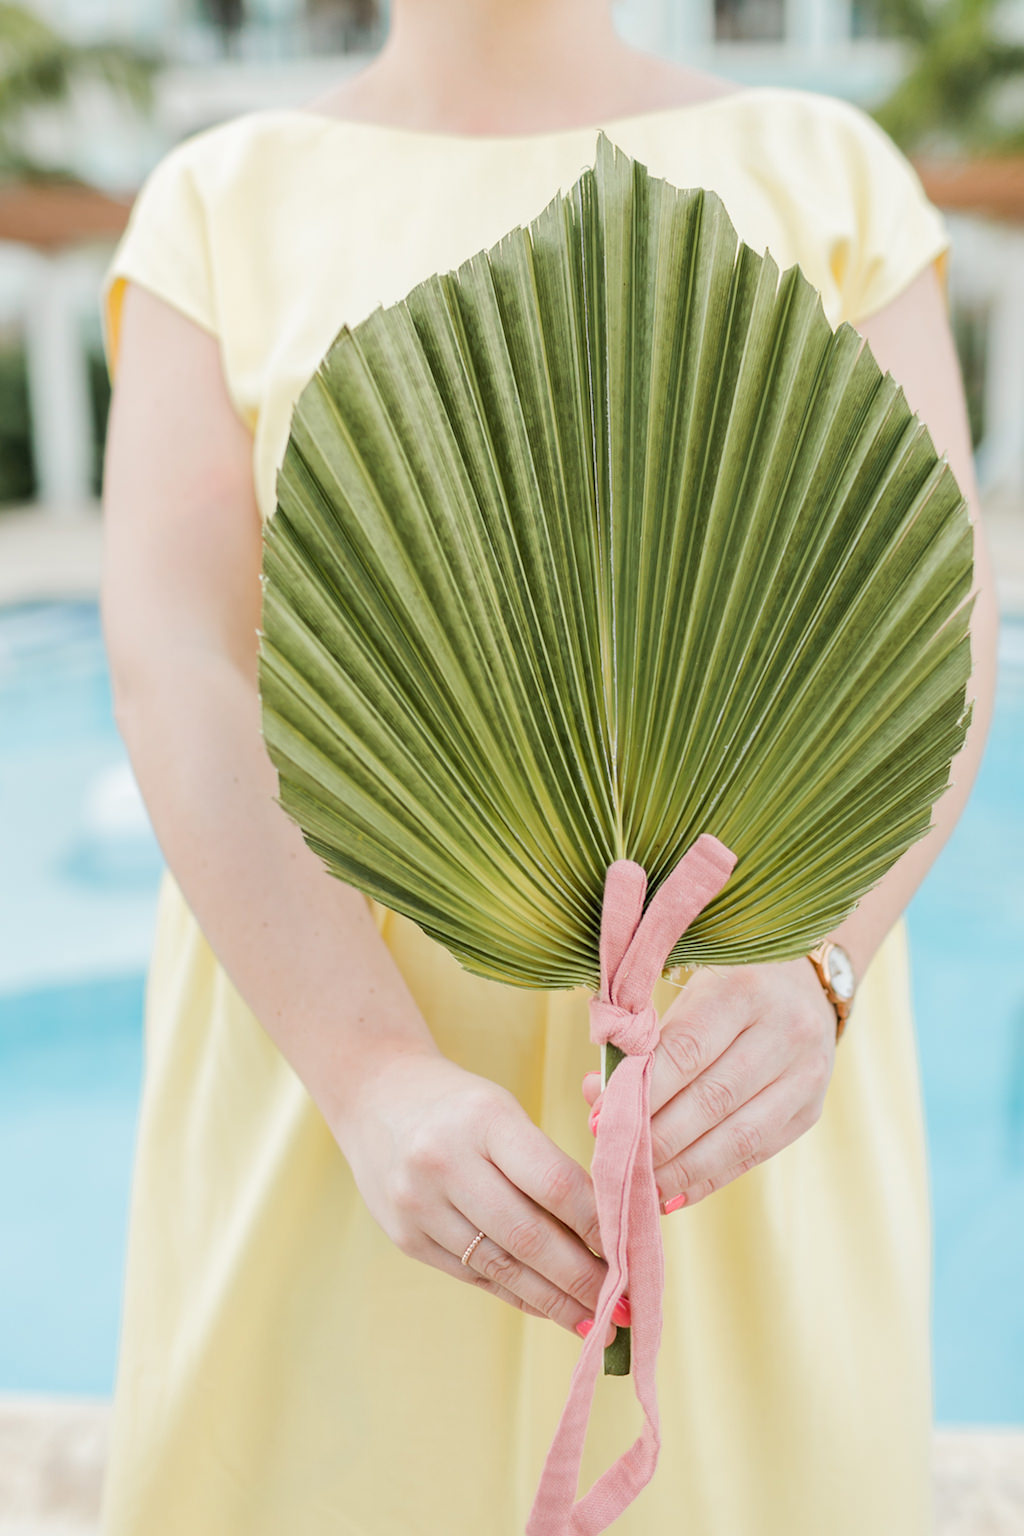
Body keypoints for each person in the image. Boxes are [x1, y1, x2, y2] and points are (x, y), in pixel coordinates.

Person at [96, 1, 998, 1532]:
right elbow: (183, 657)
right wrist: (372, 1077)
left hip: (736, 1102)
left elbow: (938, 633)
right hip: (345, 1109)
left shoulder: (830, 173)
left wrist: (820, 975)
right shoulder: (218, 200)